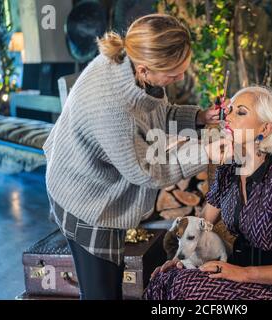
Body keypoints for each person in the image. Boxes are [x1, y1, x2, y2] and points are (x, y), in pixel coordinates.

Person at [43, 14, 226, 300]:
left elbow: (158, 115)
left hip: (100, 186)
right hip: (84, 196)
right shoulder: (114, 108)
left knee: (111, 279)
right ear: (145, 69)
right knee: (101, 293)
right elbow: (147, 171)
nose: (179, 78)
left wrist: (200, 117)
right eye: (174, 74)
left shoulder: (132, 66)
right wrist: (206, 153)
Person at [145, 86, 272, 300]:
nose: (227, 117)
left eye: (240, 112)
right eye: (229, 110)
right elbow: (202, 223)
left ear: (264, 129)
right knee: (166, 277)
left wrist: (243, 273)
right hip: (237, 275)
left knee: (184, 286)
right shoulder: (228, 170)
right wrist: (183, 258)